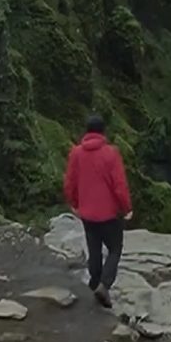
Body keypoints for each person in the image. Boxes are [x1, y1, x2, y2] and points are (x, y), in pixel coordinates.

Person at [64, 115, 132, 307]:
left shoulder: (76, 153)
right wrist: (127, 208)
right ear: (103, 131)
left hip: (87, 213)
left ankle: (94, 283)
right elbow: (120, 185)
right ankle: (104, 285)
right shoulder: (111, 153)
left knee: (94, 249)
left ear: (86, 131)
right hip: (109, 214)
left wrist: (74, 203)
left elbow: (70, 182)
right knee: (114, 249)